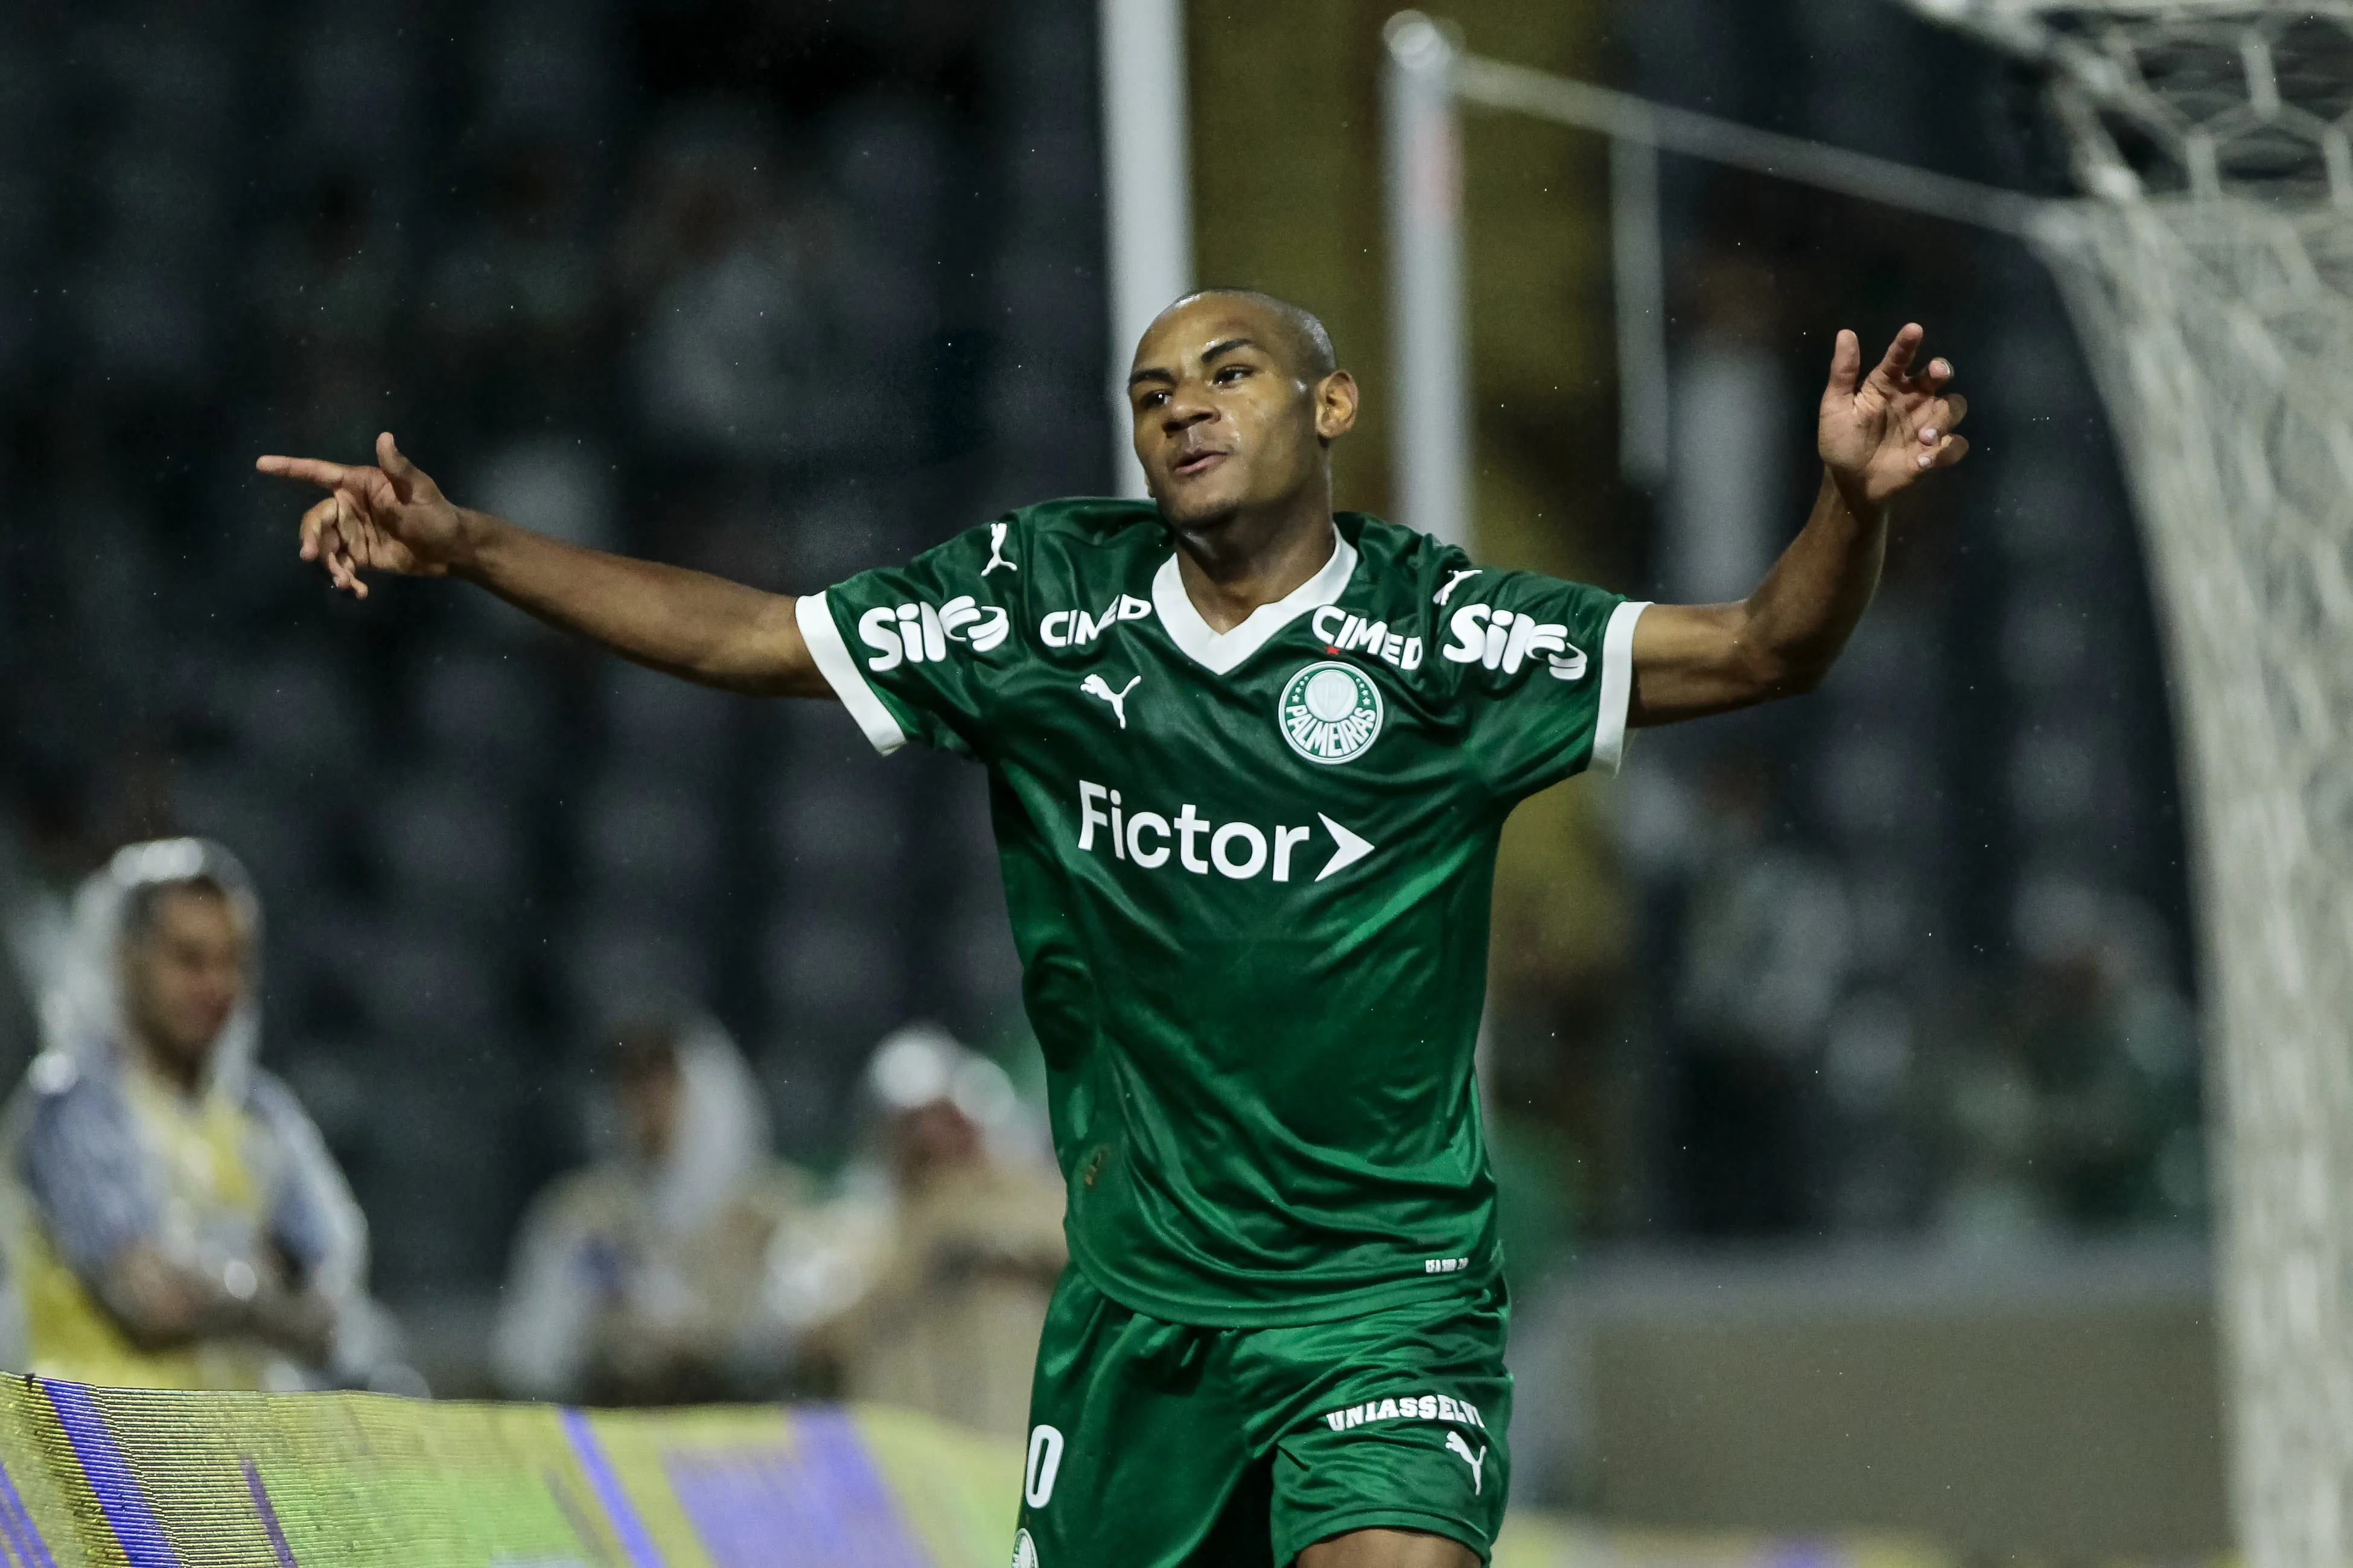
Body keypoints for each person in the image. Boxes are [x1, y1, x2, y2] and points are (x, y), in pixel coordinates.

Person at [259, 291, 1966, 1566]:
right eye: (1150, 392)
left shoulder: (1447, 640)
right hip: (1142, 1316)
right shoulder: (1038, 600)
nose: (1181, 406)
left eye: (1227, 370)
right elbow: (753, 638)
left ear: (1330, 402)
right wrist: (471, 543)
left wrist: (1851, 503)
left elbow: (1763, 646)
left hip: (1382, 1298)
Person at [0, 839, 393, 1390]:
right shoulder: (73, 1106)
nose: (216, 986)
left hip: (237, 1441)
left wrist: (209, 1287)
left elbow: (336, 1315)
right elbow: (151, 1305)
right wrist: (263, 1284)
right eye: (189, 960)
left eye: (233, 961)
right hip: (98, 1437)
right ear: (126, 961)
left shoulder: (263, 1114)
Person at [494, 1013, 812, 1405]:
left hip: (738, 1426)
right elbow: (526, 1355)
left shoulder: (769, 1208)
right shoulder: (581, 1214)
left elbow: (806, 1337)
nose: (647, 1099)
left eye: (663, 1078)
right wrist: (601, 1345)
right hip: (621, 1423)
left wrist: (711, 1343)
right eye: (631, 1079)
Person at [786, 1023, 1066, 1439]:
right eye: (912, 1126)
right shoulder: (852, 1228)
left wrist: (991, 1235)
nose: (933, 1139)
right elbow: (813, 1343)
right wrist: (926, 1241)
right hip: (908, 1461)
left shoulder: (1038, 1202)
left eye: (948, 1121)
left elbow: (1106, 1268)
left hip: (1029, 1449)